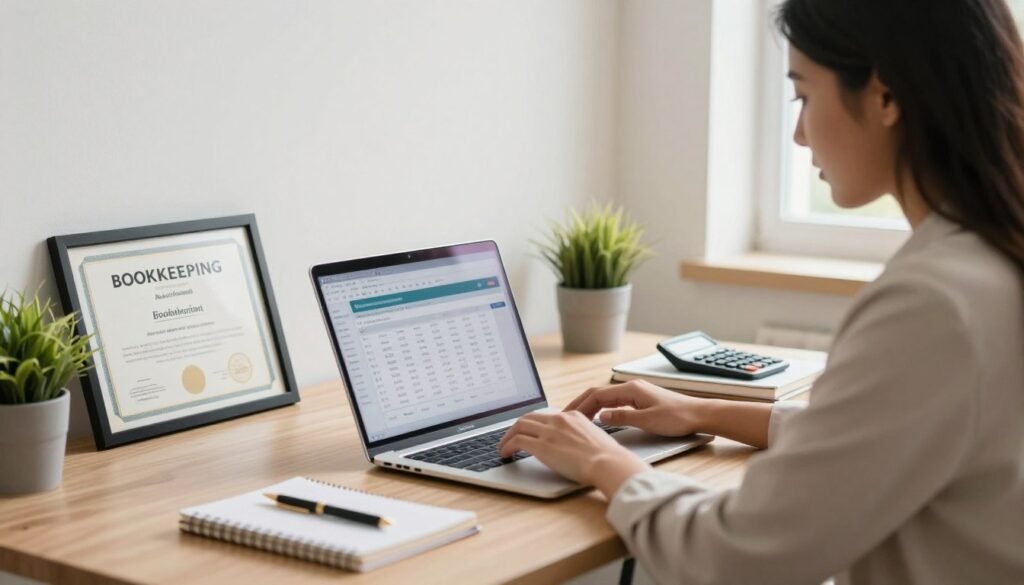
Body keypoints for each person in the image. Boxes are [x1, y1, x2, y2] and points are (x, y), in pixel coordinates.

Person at [497, 0, 1024, 583]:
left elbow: (738, 555)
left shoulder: (933, 304)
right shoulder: (992, 259)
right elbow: (884, 441)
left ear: (885, 95)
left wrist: (600, 459)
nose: (798, 134)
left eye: (803, 95)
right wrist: (703, 410)